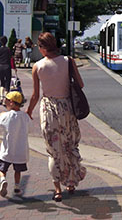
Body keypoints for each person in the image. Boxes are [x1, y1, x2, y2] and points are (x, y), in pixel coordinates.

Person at [26, 32, 86, 202]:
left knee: (53, 151)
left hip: (48, 109)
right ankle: (71, 183)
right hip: (67, 108)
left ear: (43, 48)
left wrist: (29, 111)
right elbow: (80, 84)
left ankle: (57, 189)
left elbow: (35, 95)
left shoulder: (37, 66)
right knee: (69, 146)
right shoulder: (68, 61)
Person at [0, 91, 30, 197]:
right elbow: (28, 125)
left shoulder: (6, 116)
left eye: (6, 102)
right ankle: (17, 187)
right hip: (20, 151)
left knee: (2, 169)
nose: (5, 104)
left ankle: (2, 180)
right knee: (18, 171)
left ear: (11, 103)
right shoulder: (25, 117)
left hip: (7, 149)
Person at [0, 36, 15, 104]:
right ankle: (6, 99)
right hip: (7, 66)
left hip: (0, 66)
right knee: (7, 82)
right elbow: (11, 59)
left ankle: (1, 97)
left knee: (2, 82)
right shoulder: (8, 49)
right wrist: (14, 67)